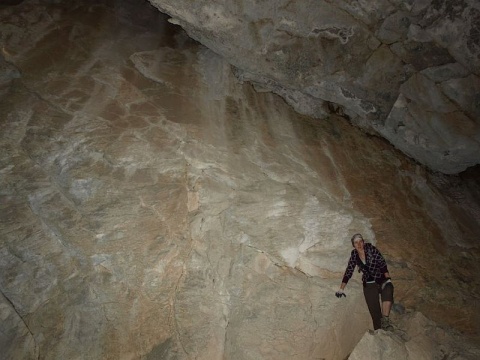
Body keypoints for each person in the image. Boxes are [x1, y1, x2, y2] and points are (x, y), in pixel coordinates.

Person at [335, 233, 394, 331]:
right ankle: (380, 331)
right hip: (369, 284)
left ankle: (386, 321)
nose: (359, 244)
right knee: (374, 310)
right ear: (353, 245)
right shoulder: (354, 255)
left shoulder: (371, 249)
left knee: (388, 288)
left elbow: (382, 263)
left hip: (380, 279)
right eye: (356, 242)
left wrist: (388, 279)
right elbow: (349, 271)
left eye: (360, 241)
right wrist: (341, 288)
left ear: (363, 242)